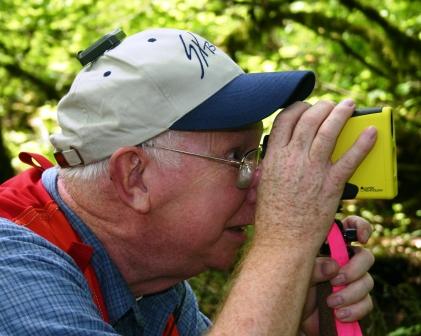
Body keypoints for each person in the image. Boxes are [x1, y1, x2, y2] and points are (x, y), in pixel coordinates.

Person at [0, 28, 375, 335]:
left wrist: (295, 313)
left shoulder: (156, 283)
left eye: (257, 154)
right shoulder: (11, 273)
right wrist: (286, 241)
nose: (264, 184)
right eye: (236, 157)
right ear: (135, 178)